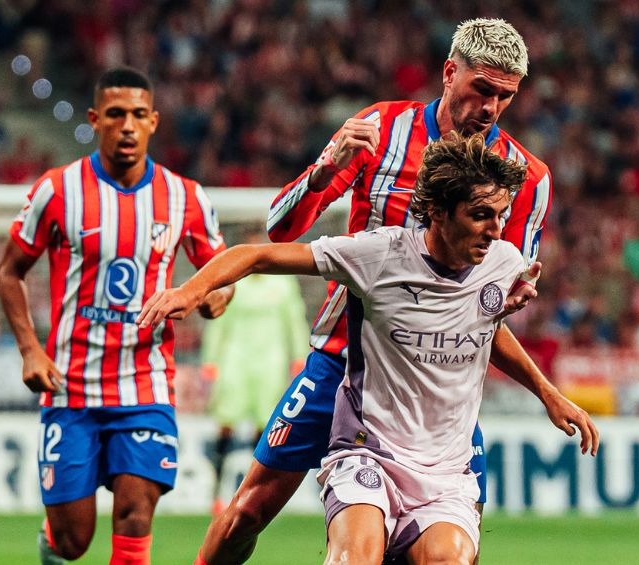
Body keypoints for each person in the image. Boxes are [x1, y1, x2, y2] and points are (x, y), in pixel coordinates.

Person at [137, 132, 599, 565]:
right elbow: (256, 254)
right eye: (481, 215)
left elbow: (484, 328)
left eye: (501, 215)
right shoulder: (379, 254)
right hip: (368, 450)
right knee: (336, 550)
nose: (496, 230)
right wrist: (191, 290)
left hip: (445, 471)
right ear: (438, 211)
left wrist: (549, 394)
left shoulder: (503, 262)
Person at [197, 18, 557, 564]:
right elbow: (279, 230)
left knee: (450, 550)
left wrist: (515, 298)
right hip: (342, 360)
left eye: (504, 96)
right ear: (449, 73)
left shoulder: (526, 177)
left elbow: (497, 296)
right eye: (481, 88)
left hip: (431, 387)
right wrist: (326, 170)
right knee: (247, 512)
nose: (490, 107)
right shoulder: (381, 130)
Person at [0, 66, 234, 565]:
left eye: (138, 115)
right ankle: (54, 538)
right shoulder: (57, 190)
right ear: (94, 119)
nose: (128, 125)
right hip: (71, 385)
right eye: (116, 114)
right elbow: (9, 273)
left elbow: (219, 271)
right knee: (73, 541)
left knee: (135, 515)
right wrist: (30, 349)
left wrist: (214, 295)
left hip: (145, 385)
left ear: (154, 122)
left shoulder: (186, 197)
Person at [201, 225, 310, 516]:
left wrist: (299, 355)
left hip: (270, 358)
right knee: (226, 422)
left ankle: (252, 494)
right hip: (235, 357)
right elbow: (219, 322)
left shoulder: (282, 283)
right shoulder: (235, 282)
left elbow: (294, 319)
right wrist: (211, 359)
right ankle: (216, 492)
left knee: (265, 426)